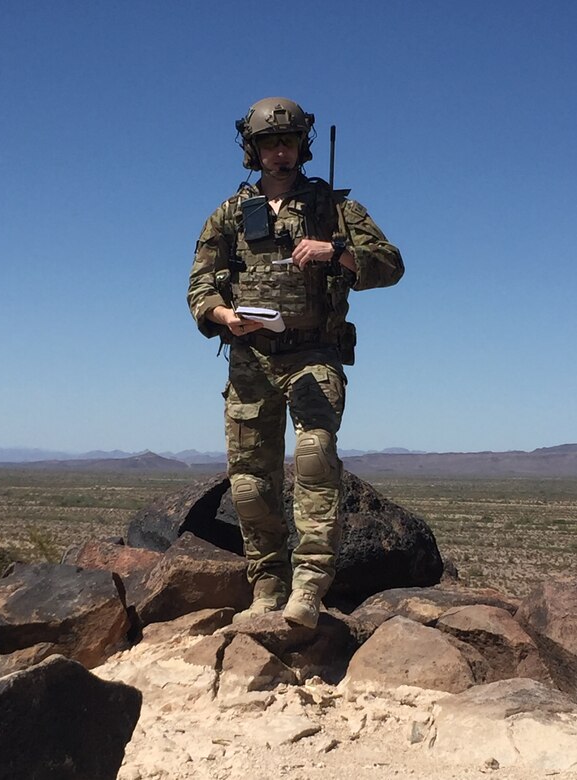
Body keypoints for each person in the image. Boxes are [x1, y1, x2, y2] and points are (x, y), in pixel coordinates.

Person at [188, 97, 404, 629]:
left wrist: (338, 254)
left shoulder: (333, 209)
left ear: (302, 146)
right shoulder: (231, 213)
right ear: (253, 149)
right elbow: (198, 284)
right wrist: (223, 314)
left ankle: (309, 585)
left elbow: (390, 264)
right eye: (268, 144)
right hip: (250, 359)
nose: (279, 153)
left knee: (314, 457)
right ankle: (267, 584)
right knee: (249, 482)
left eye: (286, 143)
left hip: (314, 352)